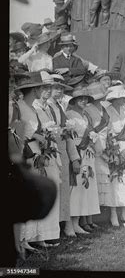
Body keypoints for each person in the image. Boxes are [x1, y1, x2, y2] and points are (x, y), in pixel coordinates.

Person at [15, 71, 61, 251]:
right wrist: (35, 136)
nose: (41, 90)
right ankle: (23, 238)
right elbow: (17, 129)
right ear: (32, 89)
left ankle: (36, 236)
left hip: (37, 150)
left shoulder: (33, 108)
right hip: (25, 150)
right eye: (39, 88)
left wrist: (44, 137)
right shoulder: (19, 106)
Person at [46, 75, 80, 237]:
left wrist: (75, 158)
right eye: (55, 88)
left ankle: (66, 225)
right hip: (50, 150)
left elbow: (68, 135)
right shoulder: (43, 107)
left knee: (64, 188)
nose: (58, 91)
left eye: (61, 88)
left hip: (63, 151)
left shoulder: (60, 107)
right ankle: (51, 229)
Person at [32, 74, 63, 246]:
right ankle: (39, 236)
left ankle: (49, 234)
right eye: (43, 88)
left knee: (53, 189)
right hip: (40, 152)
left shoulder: (49, 107)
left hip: (52, 151)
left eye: (48, 88)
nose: (46, 91)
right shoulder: (35, 107)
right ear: (37, 90)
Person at [66, 86, 101, 235]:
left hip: (88, 152)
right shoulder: (69, 115)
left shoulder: (86, 115)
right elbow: (71, 137)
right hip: (78, 151)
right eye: (80, 98)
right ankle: (73, 224)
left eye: (85, 98)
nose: (83, 101)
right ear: (74, 101)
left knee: (87, 186)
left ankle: (84, 220)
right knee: (77, 188)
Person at [104, 85, 125, 227]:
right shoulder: (107, 112)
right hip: (113, 149)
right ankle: (113, 214)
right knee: (114, 182)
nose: (124, 99)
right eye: (121, 97)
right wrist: (115, 151)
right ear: (114, 99)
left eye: (124, 97)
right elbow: (107, 132)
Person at [84, 82, 110, 230]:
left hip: (104, 145)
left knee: (96, 185)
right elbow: (89, 131)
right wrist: (99, 148)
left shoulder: (103, 109)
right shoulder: (88, 110)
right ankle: (87, 219)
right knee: (91, 183)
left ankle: (93, 217)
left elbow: (108, 128)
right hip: (94, 147)